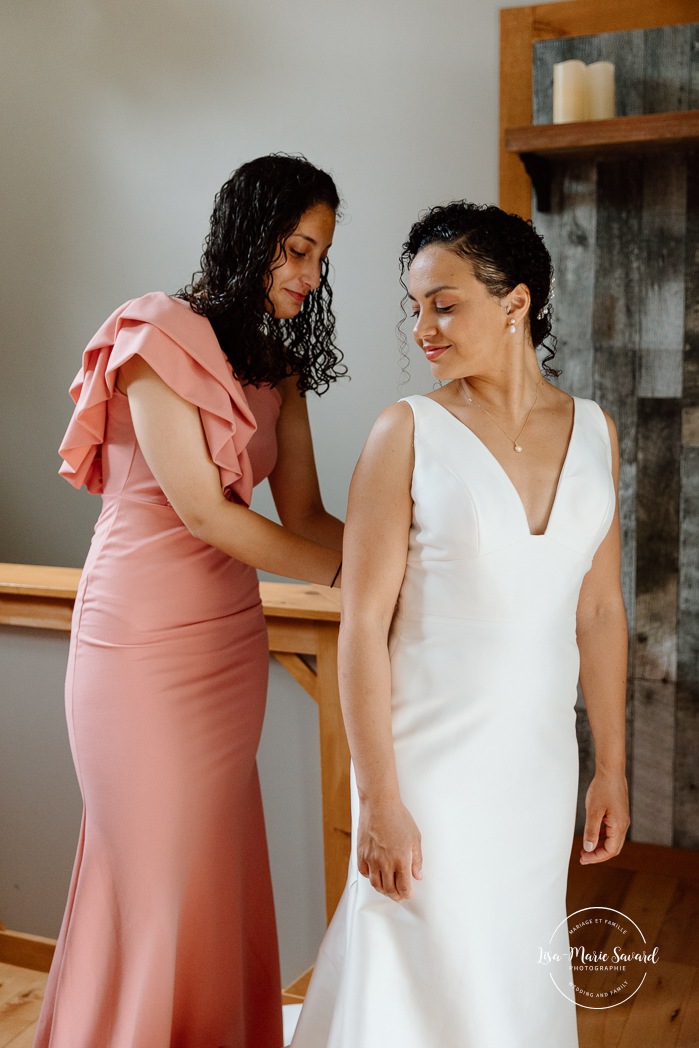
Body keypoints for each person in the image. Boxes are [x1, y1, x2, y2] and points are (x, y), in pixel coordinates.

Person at [291, 201, 629, 1048]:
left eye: (443, 304)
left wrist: (611, 768)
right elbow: (362, 624)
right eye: (415, 308)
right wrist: (379, 800)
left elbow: (597, 610)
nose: (422, 329)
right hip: (426, 768)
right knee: (413, 962)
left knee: (509, 969)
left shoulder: (595, 432)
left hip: (537, 768)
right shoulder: (405, 432)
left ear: (514, 304)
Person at [35, 154, 345, 1048]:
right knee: (152, 874)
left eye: (319, 257)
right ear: (246, 237)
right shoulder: (154, 331)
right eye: (293, 249)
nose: (306, 275)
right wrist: (351, 580)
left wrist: (409, 559)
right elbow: (207, 515)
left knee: (211, 870)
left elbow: (309, 515)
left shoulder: (277, 367)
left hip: (225, 648)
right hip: (135, 644)